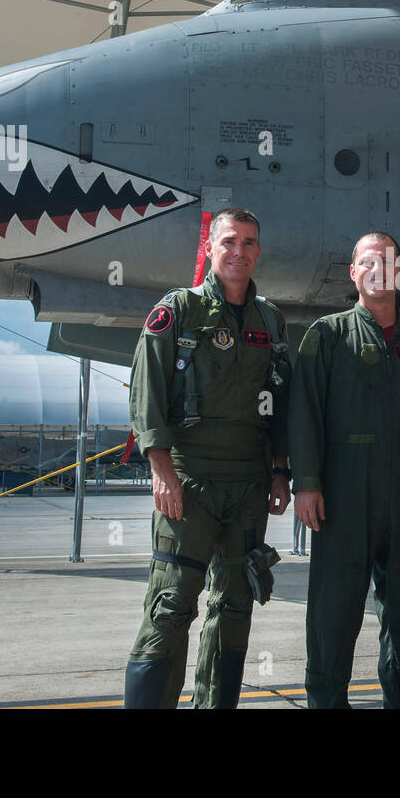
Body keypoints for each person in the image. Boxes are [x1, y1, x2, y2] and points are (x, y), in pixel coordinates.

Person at [123, 208, 293, 709]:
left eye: (248, 242)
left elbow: (280, 401)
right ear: (211, 248)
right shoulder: (178, 311)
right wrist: (161, 469)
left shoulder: (271, 319)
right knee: (172, 605)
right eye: (229, 241)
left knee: (236, 604)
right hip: (189, 481)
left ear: (258, 251)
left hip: (248, 484)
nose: (238, 251)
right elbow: (146, 391)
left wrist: (281, 471)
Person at [290, 231, 400, 708]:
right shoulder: (326, 335)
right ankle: (326, 700)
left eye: (388, 263)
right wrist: (305, 483)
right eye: (367, 262)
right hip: (343, 491)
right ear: (354, 272)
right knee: (334, 608)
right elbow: (303, 412)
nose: (378, 270)